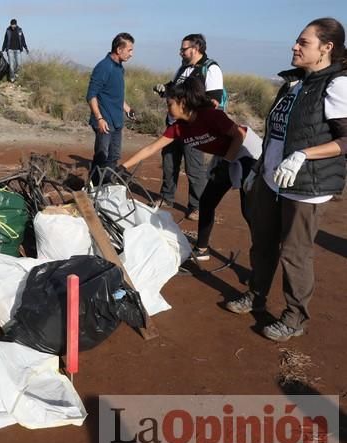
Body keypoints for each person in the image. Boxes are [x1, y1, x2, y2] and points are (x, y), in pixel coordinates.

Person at [225, 17, 347, 342]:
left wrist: (304, 155)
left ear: (327, 48)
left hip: (307, 185)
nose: (294, 46)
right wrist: (259, 169)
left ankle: (294, 318)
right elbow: (277, 135)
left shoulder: (336, 84)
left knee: (295, 253)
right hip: (272, 178)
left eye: (303, 42)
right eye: (297, 40)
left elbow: (345, 140)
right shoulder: (293, 82)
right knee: (262, 242)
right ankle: (256, 294)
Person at [121, 78, 262, 259]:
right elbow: (151, 148)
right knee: (207, 201)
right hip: (226, 158)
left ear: (182, 102)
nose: (167, 108)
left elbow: (239, 135)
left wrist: (226, 164)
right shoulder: (179, 128)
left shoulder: (211, 116)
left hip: (248, 154)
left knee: (249, 211)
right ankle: (202, 249)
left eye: (170, 104)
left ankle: (262, 257)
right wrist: (123, 167)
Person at [153, 34, 225, 221]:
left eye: (184, 49)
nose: (181, 52)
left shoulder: (211, 69)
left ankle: (197, 206)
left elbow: (214, 101)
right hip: (174, 125)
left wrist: (192, 110)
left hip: (194, 128)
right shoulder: (182, 68)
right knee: (169, 162)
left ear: (196, 47)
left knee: (194, 168)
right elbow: (174, 90)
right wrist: (164, 89)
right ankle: (166, 197)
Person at [86, 33, 135, 185]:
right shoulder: (103, 67)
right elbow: (91, 95)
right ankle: (93, 188)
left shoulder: (119, 68)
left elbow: (115, 95)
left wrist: (127, 109)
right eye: (130, 50)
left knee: (114, 156)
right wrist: (99, 118)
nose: (131, 54)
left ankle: (107, 185)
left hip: (117, 121)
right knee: (102, 156)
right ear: (119, 50)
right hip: (104, 121)